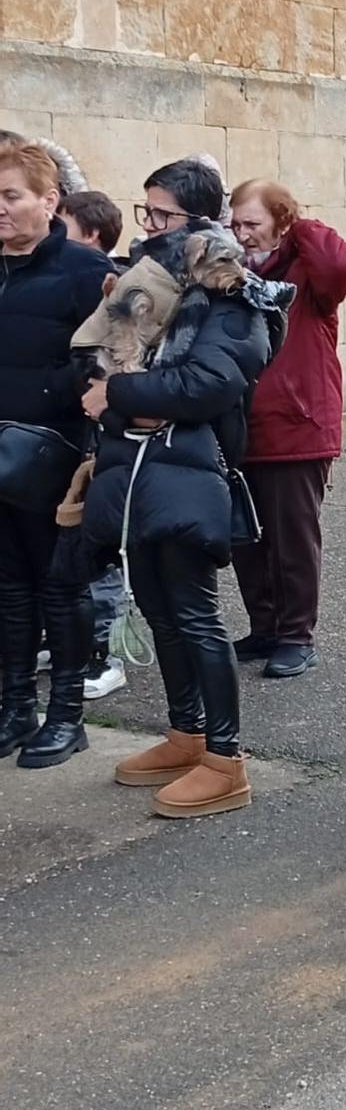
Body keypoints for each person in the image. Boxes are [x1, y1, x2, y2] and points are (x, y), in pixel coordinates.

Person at [79, 158, 292, 818]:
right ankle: (185, 733)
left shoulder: (233, 296)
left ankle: (226, 759)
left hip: (189, 471)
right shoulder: (145, 291)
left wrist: (118, 392)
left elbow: (207, 387)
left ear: (201, 220)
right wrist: (121, 400)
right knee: (158, 606)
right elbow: (91, 371)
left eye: (163, 215)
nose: (151, 229)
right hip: (135, 468)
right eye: (147, 213)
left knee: (195, 614)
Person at [0, 140, 109, 766]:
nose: (3, 210)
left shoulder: (83, 272)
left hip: (53, 457)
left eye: (13, 197)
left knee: (60, 587)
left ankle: (67, 714)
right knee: (9, 586)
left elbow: (104, 361)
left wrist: (56, 391)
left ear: (50, 200)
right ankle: (17, 705)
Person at [228, 180, 346, 679]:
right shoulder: (233, 272)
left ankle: (296, 635)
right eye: (235, 224)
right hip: (242, 426)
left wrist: (299, 222)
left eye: (253, 224)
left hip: (297, 425)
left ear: (280, 224)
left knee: (292, 538)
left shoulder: (308, 275)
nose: (243, 235)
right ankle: (265, 626)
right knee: (246, 537)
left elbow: (341, 263)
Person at [59, 189, 129, 699]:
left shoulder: (99, 280)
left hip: (98, 432)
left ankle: (106, 649)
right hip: (58, 430)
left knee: (99, 544)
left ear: (92, 236)